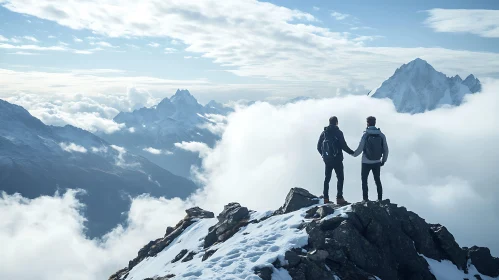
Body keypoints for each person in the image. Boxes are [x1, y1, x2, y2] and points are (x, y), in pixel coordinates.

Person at [317, 116, 355, 205]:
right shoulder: (338, 132)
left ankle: (325, 198)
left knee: (327, 178)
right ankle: (339, 198)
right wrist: (352, 153)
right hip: (337, 159)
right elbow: (343, 145)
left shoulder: (324, 133)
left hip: (327, 160)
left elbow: (318, 146)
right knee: (340, 178)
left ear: (329, 122)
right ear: (337, 122)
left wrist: (324, 156)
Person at [352, 116, 389, 201]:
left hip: (366, 162)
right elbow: (386, 149)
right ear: (375, 123)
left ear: (367, 123)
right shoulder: (381, 135)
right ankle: (380, 199)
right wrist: (383, 160)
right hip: (377, 161)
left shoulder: (365, 135)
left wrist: (353, 154)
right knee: (377, 180)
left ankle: (365, 199)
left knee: (364, 180)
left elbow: (360, 148)